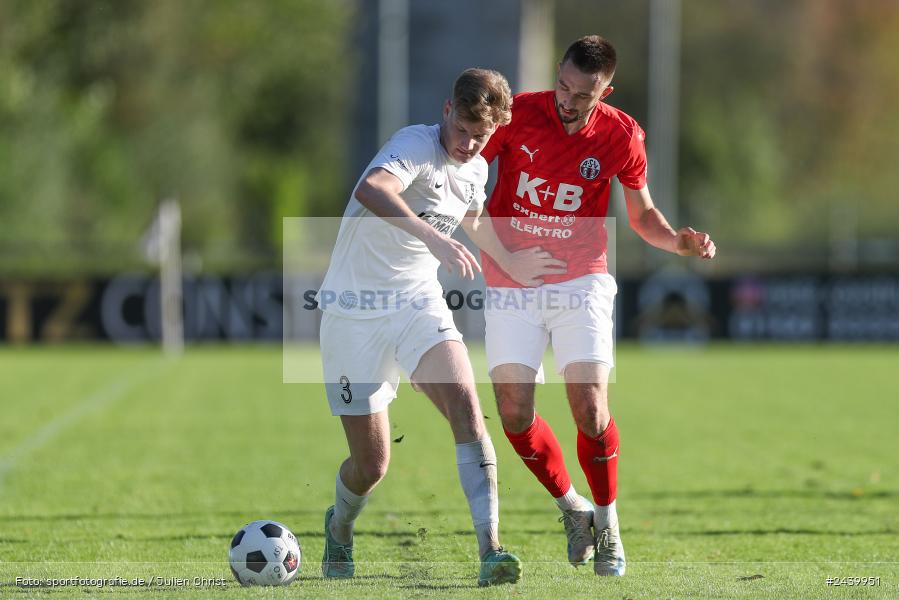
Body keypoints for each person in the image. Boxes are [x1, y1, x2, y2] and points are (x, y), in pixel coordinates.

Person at [478, 35, 716, 577]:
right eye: (562, 84)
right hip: (510, 282)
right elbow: (468, 188)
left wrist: (678, 242)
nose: (567, 98)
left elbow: (641, 215)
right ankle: (573, 508)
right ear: (556, 72)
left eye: (583, 94)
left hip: (581, 280)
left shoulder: (621, 134)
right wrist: (506, 260)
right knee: (514, 412)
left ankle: (608, 527)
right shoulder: (516, 118)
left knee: (589, 406)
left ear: (606, 90)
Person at [316, 67, 557, 586]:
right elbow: (372, 188)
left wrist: (511, 263)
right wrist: (432, 237)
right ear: (447, 111)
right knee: (371, 465)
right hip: (353, 313)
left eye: (482, 136)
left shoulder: (475, 169)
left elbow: (471, 219)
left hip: (416, 303)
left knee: (468, 406)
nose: (470, 144)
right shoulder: (414, 145)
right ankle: (339, 527)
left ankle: (491, 550)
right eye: (463, 130)